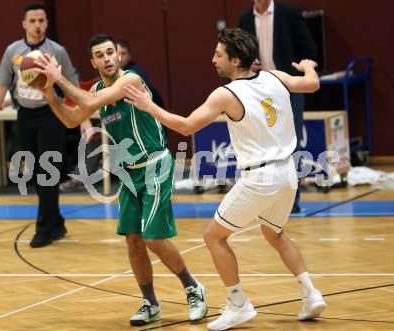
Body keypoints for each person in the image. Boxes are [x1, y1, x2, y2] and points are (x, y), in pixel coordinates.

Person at [123, 28, 327, 330]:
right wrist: (309, 65)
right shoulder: (275, 76)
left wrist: (148, 106)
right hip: (288, 172)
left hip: (261, 176)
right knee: (275, 234)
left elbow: (187, 126)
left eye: (218, 54)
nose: (212, 59)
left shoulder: (226, 93)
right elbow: (311, 84)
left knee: (213, 236)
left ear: (234, 60)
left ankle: (238, 304)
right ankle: (311, 294)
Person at [35, 33, 207, 326]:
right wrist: (50, 94)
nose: (107, 58)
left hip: (155, 164)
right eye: (100, 55)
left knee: (153, 238)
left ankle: (193, 287)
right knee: (133, 240)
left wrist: (58, 78)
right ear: (93, 62)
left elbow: (89, 99)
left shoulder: (132, 80)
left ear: (118, 55)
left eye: (110, 52)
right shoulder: (99, 89)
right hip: (128, 173)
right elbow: (71, 119)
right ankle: (150, 303)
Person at [0, 3, 79, 248]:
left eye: (41, 20)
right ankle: (56, 222)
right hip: (24, 116)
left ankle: (44, 230)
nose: (37, 24)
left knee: (47, 172)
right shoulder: (12, 51)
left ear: (46, 23)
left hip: (51, 114)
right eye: (33, 20)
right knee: (35, 173)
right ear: (24, 24)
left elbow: (72, 84)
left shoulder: (57, 51)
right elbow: (2, 86)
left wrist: (84, 119)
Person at [240, 0, 317, 213]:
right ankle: (267, 197)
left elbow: (309, 48)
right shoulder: (245, 18)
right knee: (263, 143)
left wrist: (302, 67)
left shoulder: (289, 13)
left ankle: (292, 200)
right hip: (259, 89)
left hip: (288, 86)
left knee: (291, 143)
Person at [116, 39, 165, 108]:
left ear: (129, 55)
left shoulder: (135, 72)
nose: (120, 58)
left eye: (123, 54)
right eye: (117, 54)